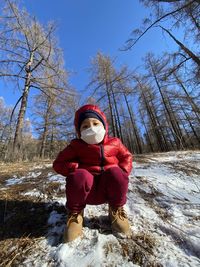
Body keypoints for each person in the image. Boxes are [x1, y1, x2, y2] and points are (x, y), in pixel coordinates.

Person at [53, 104, 133, 242]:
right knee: (79, 176)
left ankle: (116, 211)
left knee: (116, 173)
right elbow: (58, 164)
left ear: (104, 126)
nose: (91, 128)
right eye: (85, 126)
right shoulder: (76, 146)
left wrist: (123, 170)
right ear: (79, 132)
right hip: (85, 190)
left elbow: (127, 156)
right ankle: (75, 215)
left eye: (95, 123)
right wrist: (74, 167)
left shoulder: (115, 142)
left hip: (108, 188)